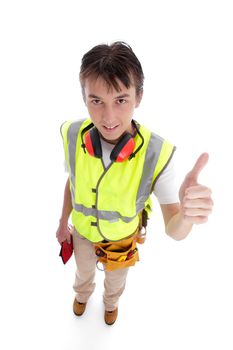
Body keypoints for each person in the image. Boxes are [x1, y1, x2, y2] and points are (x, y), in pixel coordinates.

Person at [56, 41, 213, 326]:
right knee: (82, 273)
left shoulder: (157, 154)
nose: (108, 117)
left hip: (122, 239)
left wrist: (187, 217)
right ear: (84, 98)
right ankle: (82, 295)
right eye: (96, 101)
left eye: (120, 100)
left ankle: (110, 303)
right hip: (81, 232)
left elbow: (175, 231)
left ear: (138, 97)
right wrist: (61, 221)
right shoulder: (71, 133)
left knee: (116, 281)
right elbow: (72, 180)